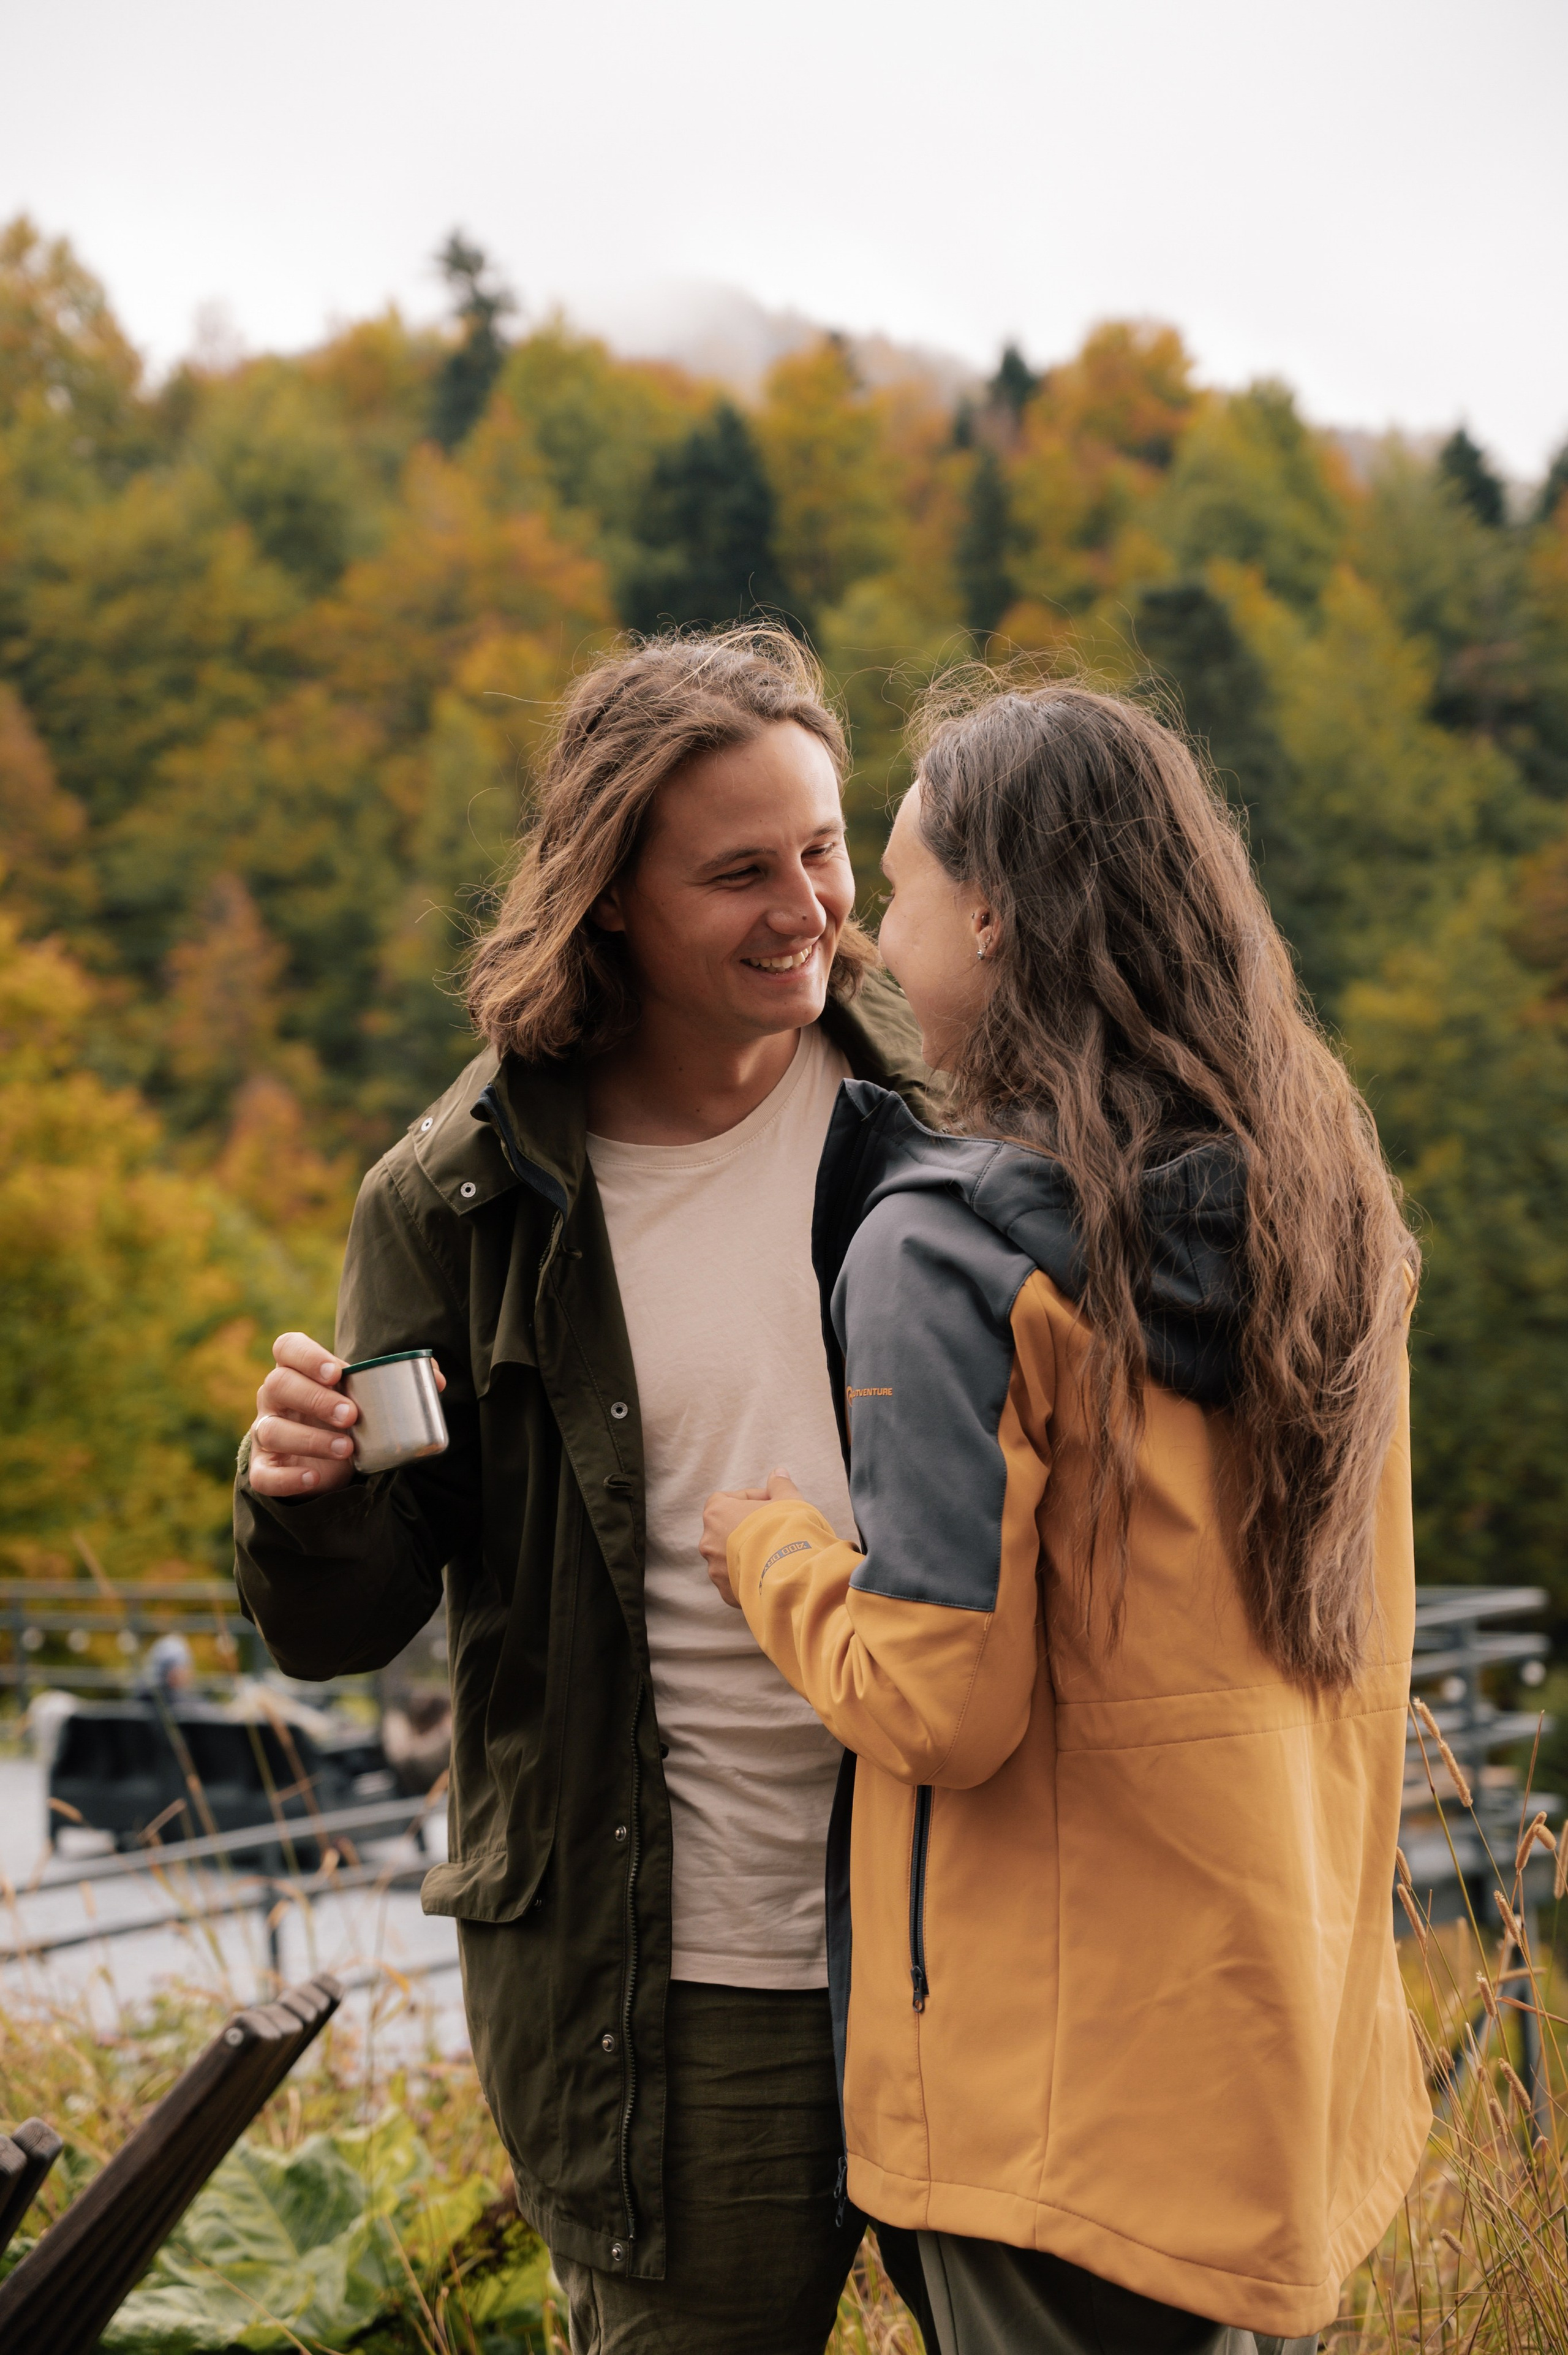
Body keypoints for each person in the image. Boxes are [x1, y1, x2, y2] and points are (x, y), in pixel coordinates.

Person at [702, 682, 1429, 2355]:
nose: (867, 940)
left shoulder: (947, 1249)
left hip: (1052, 2112)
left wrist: (775, 1553)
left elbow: (944, 1702)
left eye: (889, 888)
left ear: (995, 912)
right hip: (1275, 2075)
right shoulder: (1330, 1212)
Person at [232, 629, 937, 2354]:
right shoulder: (461, 1199)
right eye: (739, 872)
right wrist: (301, 1493)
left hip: (973, 1934)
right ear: (610, 892)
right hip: (674, 1999)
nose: (809, 908)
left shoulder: (950, 1104)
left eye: (827, 849)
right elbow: (342, 1624)